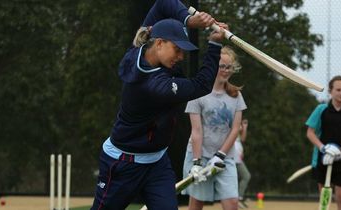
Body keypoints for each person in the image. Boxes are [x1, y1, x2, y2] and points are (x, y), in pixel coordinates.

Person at [89, 0, 229, 209]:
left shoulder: (139, 48)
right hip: (122, 164)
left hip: (156, 164)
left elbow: (163, 2)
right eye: (177, 49)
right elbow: (201, 85)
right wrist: (215, 44)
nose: (181, 56)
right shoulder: (155, 86)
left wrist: (189, 19)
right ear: (160, 43)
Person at [182, 46, 247, 210]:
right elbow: (196, 131)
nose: (226, 70)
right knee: (197, 203)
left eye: (229, 67)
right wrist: (196, 163)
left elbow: (235, 129)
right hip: (200, 157)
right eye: (222, 66)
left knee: (232, 203)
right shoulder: (197, 92)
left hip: (224, 159)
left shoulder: (236, 95)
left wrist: (220, 155)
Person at [306, 75, 341, 210]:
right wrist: (323, 148)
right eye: (338, 90)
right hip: (322, 158)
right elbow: (310, 133)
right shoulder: (321, 110)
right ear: (330, 91)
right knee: (324, 199)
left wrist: (339, 153)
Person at [234, 119, 251, 209]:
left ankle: (239, 198)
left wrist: (244, 128)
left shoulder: (237, 123)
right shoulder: (230, 122)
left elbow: (242, 139)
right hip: (232, 159)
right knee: (234, 179)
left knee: (246, 176)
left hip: (238, 159)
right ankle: (235, 199)